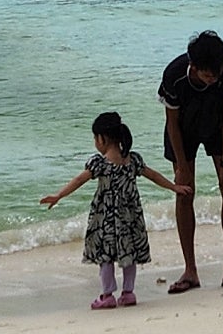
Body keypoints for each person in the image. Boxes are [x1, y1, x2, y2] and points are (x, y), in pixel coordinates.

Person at [42, 110, 177, 309]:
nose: (95, 142)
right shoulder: (132, 160)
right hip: (130, 216)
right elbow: (154, 175)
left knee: (105, 255)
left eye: (95, 138)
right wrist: (174, 187)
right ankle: (128, 292)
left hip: (105, 216)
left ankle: (107, 295)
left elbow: (79, 180)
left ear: (102, 139)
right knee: (129, 252)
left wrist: (59, 195)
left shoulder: (99, 164)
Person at [158, 28, 223, 292]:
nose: (212, 80)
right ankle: (190, 270)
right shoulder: (173, 76)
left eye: (216, 74)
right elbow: (172, 124)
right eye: (207, 75)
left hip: (218, 125)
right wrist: (182, 167)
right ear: (194, 66)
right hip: (183, 129)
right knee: (184, 192)